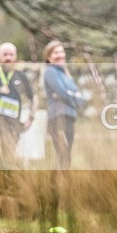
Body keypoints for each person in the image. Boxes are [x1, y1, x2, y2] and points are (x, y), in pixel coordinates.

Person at [43, 40, 86, 170]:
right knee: (63, 155)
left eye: (61, 52)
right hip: (58, 118)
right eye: (56, 53)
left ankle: (63, 187)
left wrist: (72, 96)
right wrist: (73, 96)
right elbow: (62, 93)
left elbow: (81, 99)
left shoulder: (65, 74)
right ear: (48, 57)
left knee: (66, 156)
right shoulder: (50, 71)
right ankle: (55, 187)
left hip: (69, 117)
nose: (60, 55)